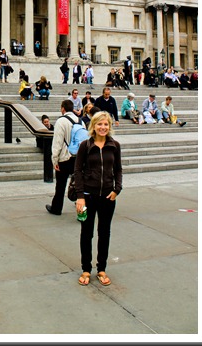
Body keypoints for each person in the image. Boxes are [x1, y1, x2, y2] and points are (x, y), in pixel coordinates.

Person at [74, 111, 122, 286]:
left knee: (104, 233)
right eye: (99, 124)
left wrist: (117, 189)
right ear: (93, 126)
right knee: (86, 234)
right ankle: (86, 269)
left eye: (106, 124)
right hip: (88, 196)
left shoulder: (114, 145)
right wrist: (80, 197)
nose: (103, 127)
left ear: (109, 126)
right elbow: (77, 171)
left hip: (108, 196)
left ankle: (102, 268)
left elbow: (118, 169)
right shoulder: (85, 145)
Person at [45, 99, 79, 215]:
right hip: (78, 158)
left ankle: (56, 208)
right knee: (80, 187)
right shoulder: (80, 121)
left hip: (65, 157)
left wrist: (54, 160)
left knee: (60, 185)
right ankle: (82, 212)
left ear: (62, 108)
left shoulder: (61, 121)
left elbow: (57, 142)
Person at [39, 115, 54, 183]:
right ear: (42, 122)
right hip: (43, 143)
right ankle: (48, 177)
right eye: (45, 122)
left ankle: (49, 177)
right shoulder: (40, 128)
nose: (47, 123)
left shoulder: (52, 127)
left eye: (47, 121)